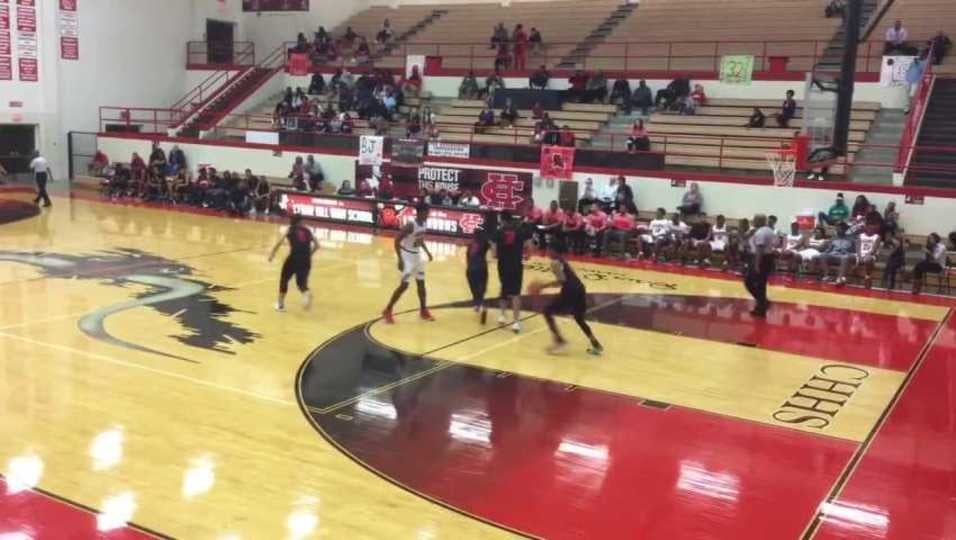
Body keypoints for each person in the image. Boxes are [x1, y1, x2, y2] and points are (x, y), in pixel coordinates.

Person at [535, 240, 604, 355]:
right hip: (580, 288)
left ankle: (559, 340)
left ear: (553, 251)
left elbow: (561, 281)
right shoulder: (562, 260)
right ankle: (596, 344)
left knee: (547, 312)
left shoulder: (555, 262)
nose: (547, 251)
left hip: (570, 290)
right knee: (579, 318)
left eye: (549, 249)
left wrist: (543, 286)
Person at [383, 204, 435, 323]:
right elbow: (397, 240)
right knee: (404, 286)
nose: (428, 215)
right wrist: (400, 259)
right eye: (426, 212)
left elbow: (420, 240)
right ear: (420, 213)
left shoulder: (424, 224)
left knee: (421, 284)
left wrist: (427, 252)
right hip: (407, 257)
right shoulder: (411, 225)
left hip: (417, 256)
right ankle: (388, 309)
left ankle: (423, 310)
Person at [268, 215, 318, 312]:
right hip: (306, 259)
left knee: (284, 279)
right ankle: (306, 292)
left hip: (294, 258)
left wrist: (272, 254)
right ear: (300, 222)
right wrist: (309, 255)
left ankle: (280, 305)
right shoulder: (307, 231)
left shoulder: (290, 229)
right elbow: (317, 245)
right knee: (301, 283)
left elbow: (280, 242)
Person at [493, 210, 533, 332]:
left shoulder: (498, 232)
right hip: (516, 264)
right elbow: (528, 245)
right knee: (516, 293)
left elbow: (494, 253)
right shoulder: (520, 231)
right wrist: (527, 255)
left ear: (502, 219)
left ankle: (502, 316)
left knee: (503, 289)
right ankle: (516, 322)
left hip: (503, 265)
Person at [745, 214, 775, 317]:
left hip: (761, 258)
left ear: (758, 221)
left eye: (754, 219)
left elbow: (760, 249)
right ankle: (761, 306)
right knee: (761, 284)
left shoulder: (760, 232)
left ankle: (762, 302)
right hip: (769, 257)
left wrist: (757, 264)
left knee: (749, 281)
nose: (752, 221)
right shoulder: (769, 230)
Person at [466, 225, 491, 324]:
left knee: (474, 288)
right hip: (482, 268)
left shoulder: (470, 245)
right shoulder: (485, 243)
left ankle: (477, 303)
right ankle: (482, 303)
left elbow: (468, 258)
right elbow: (493, 249)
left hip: (471, 269)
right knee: (482, 288)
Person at [856, 224, 882, 288]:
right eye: (869, 227)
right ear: (866, 228)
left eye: (872, 228)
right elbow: (858, 248)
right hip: (859, 254)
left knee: (868, 259)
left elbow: (874, 249)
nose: (870, 229)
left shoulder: (877, 237)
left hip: (870, 255)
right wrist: (860, 257)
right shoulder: (860, 236)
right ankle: (842, 278)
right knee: (846, 258)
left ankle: (867, 276)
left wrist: (865, 256)